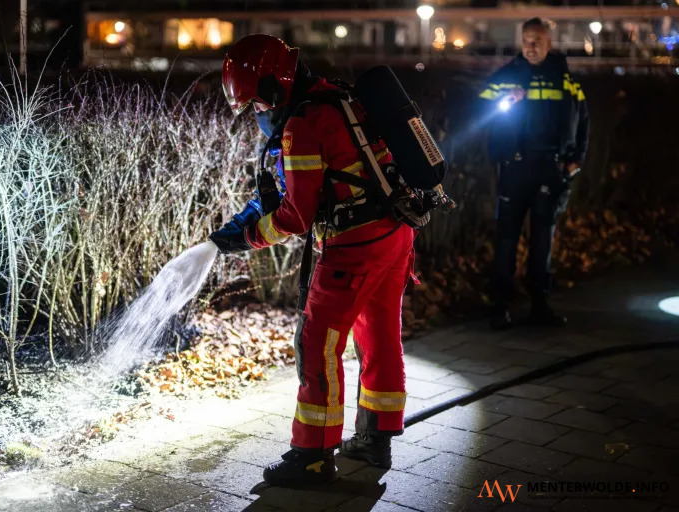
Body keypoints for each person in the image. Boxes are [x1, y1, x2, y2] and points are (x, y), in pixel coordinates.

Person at [209, 34, 426, 486]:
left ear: (273, 88)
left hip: (354, 246)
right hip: (395, 233)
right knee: (380, 335)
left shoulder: (301, 125)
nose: (257, 114)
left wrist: (248, 235)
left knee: (318, 345)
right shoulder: (338, 96)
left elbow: (296, 215)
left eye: (256, 104)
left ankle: (312, 454)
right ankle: (374, 438)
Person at [478, 17, 589, 330]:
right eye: (526, 39)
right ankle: (500, 306)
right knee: (507, 240)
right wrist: (504, 99)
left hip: (550, 171)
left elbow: (584, 123)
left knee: (543, 242)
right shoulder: (506, 77)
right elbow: (476, 112)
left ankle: (540, 306)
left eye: (537, 40)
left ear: (549, 43)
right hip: (514, 168)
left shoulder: (565, 80)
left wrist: (575, 162)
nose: (530, 46)